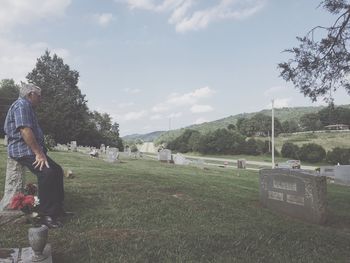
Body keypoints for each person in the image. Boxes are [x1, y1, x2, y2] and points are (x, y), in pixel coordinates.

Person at [4, 82, 71, 228]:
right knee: (46, 173)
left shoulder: (28, 107)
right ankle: (46, 215)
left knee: (57, 170)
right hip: (22, 149)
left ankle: (57, 209)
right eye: (39, 96)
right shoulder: (21, 105)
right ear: (30, 95)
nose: (40, 99)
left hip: (29, 148)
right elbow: (25, 131)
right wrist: (39, 154)